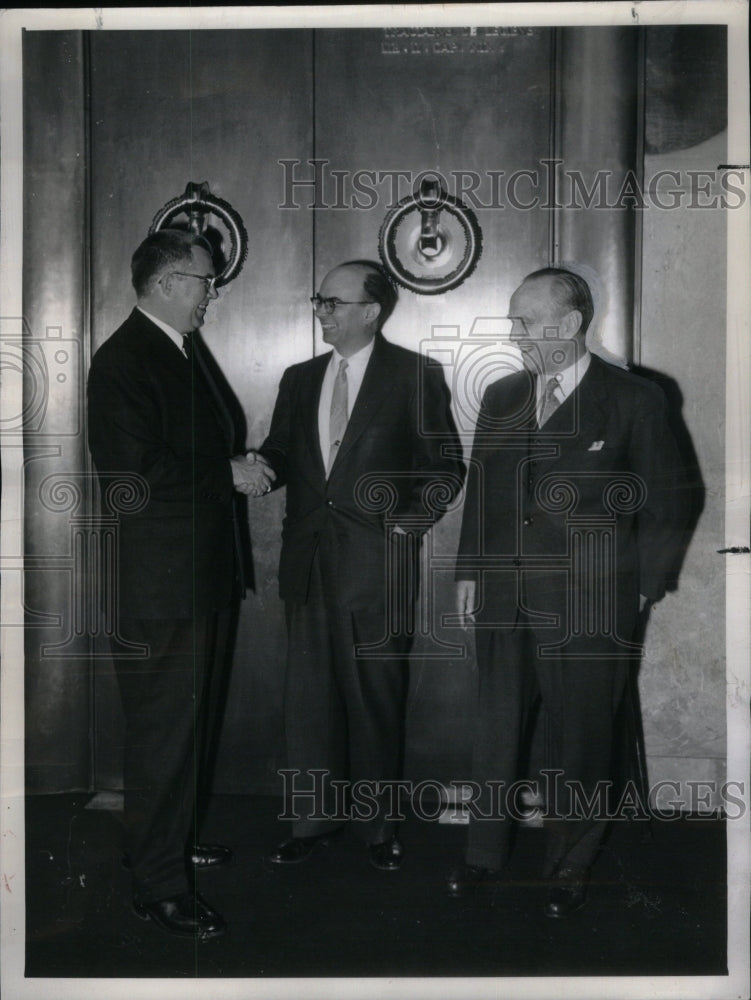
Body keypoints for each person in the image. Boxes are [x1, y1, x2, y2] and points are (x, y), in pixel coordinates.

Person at [448, 267, 687, 917]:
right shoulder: (500, 396)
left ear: (571, 323)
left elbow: (668, 499)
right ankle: (482, 855)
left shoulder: (634, 400)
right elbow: (484, 495)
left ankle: (567, 865)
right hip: (502, 594)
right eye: (512, 321)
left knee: (581, 738)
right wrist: (468, 570)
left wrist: (641, 587)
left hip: (590, 603)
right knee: (494, 731)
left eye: (525, 321)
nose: (514, 334)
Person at [87, 229, 273, 940]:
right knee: (165, 733)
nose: (211, 295)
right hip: (161, 585)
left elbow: (188, 449)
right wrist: (226, 472)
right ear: (166, 282)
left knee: (185, 727)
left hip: (196, 575)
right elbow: (133, 475)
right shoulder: (125, 359)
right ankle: (159, 887)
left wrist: (233, 462)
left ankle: (165, 842)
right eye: (203, 282)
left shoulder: (176, 348)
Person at [257, 260, 464, 870]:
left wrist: (410, 519)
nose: (321, 310)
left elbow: (446, 466)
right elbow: (279, 455)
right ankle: (311, 821)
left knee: (375, 697)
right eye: (319, 300)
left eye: (333, 302)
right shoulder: (299, 378)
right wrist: (252, 471)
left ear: (370, 311)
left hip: (379, 564)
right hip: (310, 562)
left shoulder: (415, 376)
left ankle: (379, 829)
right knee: (309, 700)